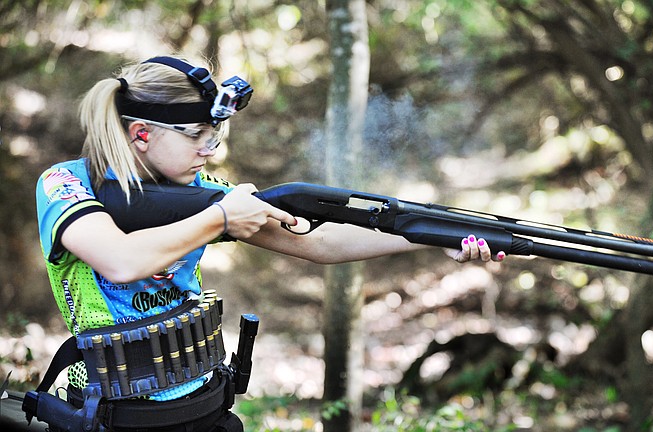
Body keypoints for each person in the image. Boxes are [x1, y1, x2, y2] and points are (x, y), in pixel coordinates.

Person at [32, 55, 504, 432]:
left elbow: (318, 243)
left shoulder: (207, 192)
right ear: (141, 134)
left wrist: (424, 237)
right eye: (197, 136)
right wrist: (221, 216)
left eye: (213, 137)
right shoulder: (66, 186)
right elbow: (119, 260)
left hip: (205, 409)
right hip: (114, 416)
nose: (209, 150)